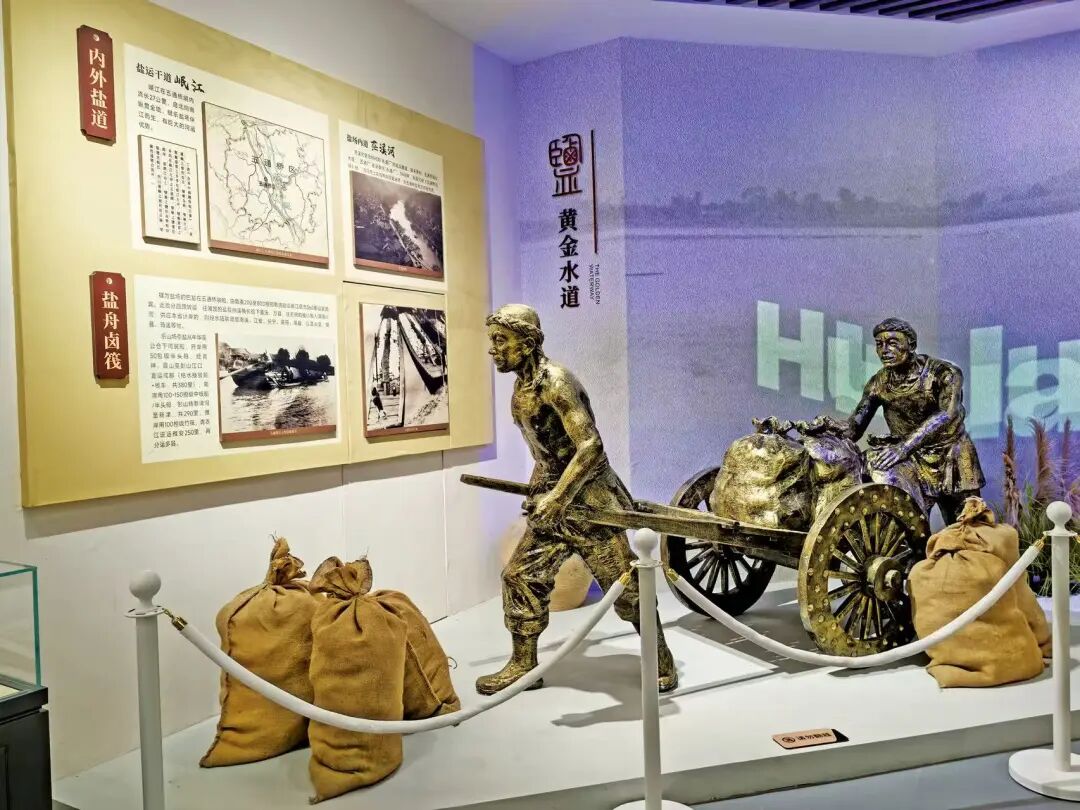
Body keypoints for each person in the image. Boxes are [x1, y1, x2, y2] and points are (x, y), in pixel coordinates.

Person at [477, 304, 678, 695]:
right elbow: (545, 455)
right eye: (493, 341)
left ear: (527, 343)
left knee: (626, 589)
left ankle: (660, 659)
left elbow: (590, 446)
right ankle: (523, 664)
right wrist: (538, 491)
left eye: (501, 340)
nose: (493, 349)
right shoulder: (520, 389)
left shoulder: (556, 382)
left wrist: (556, 498)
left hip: (591, 504)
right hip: (554, 501)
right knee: (520, 576)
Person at [846, 318, 984, 525]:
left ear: (911, 345)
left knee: (968, 527)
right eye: (879, 344)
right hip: (910, 461)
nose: (884, 350)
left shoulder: (944, 373)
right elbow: (854, 429)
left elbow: (947, 414)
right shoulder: (878, 384)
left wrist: (903, 447)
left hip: (951, 455)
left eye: (892, 343)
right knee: (910, 527)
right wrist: (825, 431)